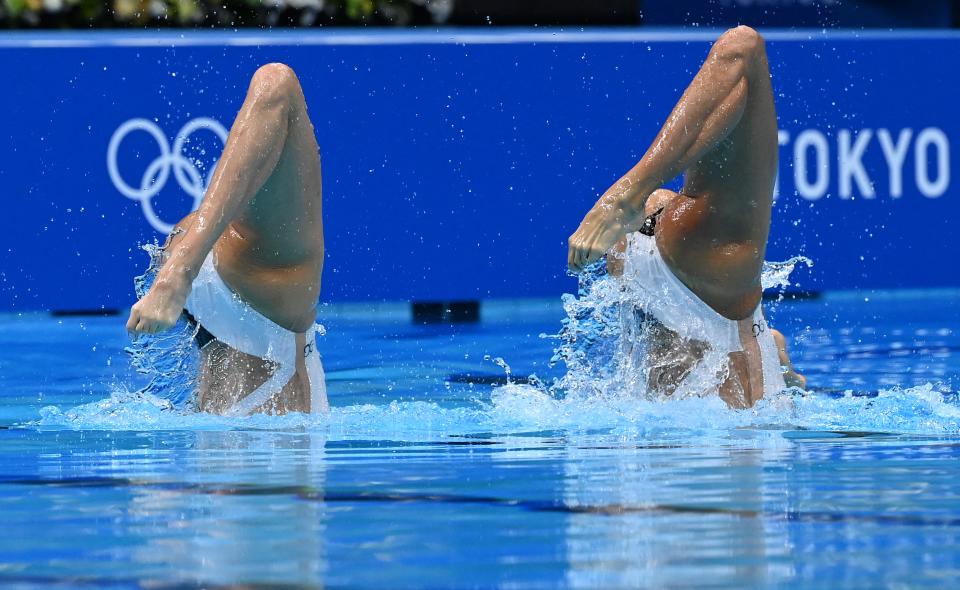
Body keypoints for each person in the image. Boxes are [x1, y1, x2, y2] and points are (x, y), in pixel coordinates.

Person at [567, 26, 805, 408]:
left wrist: (769, 349)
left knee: (744, 49)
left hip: (671, 272)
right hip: (698, 287)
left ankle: (634, 199)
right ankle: (629, 196)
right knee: (742, 47)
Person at [126, 63, 328, 416]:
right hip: (270, 437)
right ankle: (180, 271)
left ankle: (181, 269)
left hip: (235, 418)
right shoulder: (275, 274)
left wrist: (180, 267)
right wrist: (180, 272)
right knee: (275, 80)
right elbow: (277, 86)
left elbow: (278, 87)